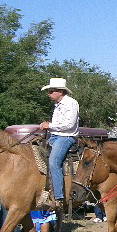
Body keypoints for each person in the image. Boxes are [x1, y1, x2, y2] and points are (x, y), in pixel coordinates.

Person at [39, 77, 79, 208]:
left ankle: (58, 197)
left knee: (53, 162)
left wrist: (49, 125)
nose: (49, 94)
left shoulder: (70, 103)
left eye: (51, 91)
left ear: (60, 92)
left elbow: (69, 124)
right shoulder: (57, 105)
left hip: (66, 137)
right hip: (55, 136)